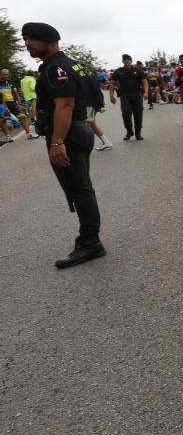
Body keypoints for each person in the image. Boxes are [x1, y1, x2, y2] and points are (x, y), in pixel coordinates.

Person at [21, 22, 106, 268]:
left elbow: (65, 105)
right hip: (78, 129)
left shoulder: (54, 68)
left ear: (48, 40)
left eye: (31, 39)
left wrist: (57, 142)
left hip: (68, 134)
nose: (27, 44)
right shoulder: (71, 63)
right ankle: (87, 238)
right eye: (25, 39)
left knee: (80, 189)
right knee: (81, 188)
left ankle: (91, 243)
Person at [109, 54, 147, 140]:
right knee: (126, 113)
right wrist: (111, 96)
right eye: (125, 60)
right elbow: (112, 82)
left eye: (128, 60)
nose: (127, 61)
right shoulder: (118, 71)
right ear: (122, 61)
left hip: (137, 95)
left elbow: (145, 81)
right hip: (124, 96)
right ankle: (129, 131)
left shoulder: (138, 70)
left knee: (138, 114)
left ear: (131, 61)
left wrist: (146, 93)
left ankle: (138, 133)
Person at [1, 68, 36, 141]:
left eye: (7, 75)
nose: (5, 76)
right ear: (0, 74)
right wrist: (5, 107)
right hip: (2, 103)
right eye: (4, 74)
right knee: (3, 120)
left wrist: (19, 104)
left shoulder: (9, 82)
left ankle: (28, 134)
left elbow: (15, 93)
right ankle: (8, 137)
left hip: (12, 102)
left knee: (23, 117)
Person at [19, 70, 39, 137]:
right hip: (33, 95)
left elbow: (21, 89)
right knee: (34, 107)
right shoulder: (31, 79)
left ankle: (32, 119)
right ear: (32, 74)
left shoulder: (22, 80)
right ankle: (35, 119)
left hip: (26, 96)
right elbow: (33, 88)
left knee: (29, 109)